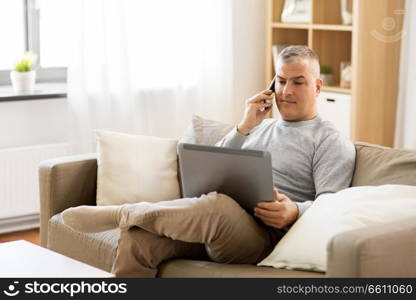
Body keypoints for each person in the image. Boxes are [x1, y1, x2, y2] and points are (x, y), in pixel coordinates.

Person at [62, 45, 356, 277]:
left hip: (266, 238)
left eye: (298, 82)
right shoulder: (260, 127)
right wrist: (243, 127)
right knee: (141, 239)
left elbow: (333, 205)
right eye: (280, 81)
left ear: (318, 87)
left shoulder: (330, 140)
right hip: (217, 226)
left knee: (217, 206)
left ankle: (126, 213)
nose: (286, 91)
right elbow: (214, 163)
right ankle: (136, 222)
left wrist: (294, 210)